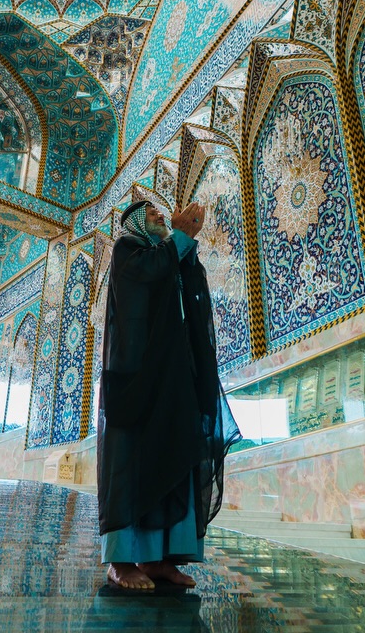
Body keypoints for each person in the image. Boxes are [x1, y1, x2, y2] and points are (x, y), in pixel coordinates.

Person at [97, 199, 239, 592]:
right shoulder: (127, 251)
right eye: (152, 214)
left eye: (161, 212)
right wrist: (179, 238)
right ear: (134, 224)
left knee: (174, 458)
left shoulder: (169, 254)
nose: (160, 215)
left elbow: (188, 292)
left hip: (173, 380)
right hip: (137, 383)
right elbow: (148, 275)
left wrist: (185, 247)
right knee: (130, 464)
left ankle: (160, 559)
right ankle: (121, 561)